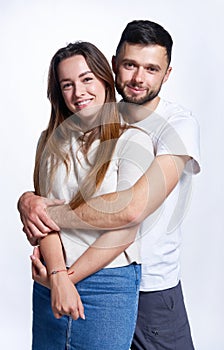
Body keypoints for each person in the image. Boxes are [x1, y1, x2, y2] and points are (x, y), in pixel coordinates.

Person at [18, 20, 201, 350]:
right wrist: (28, 200)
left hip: (150, 287)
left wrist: (47, 216)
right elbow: (53, 190)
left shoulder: (176, 125)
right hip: (75, 276)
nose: (138, 78)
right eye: (130, 65)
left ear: (167, 74)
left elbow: (131, 209)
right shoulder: (85, 121)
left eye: (151, 69)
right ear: (114, 65)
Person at [26, 40, 154, 349]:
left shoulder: (133, 142)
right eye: (66, 84)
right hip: (50, 279)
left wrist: (66, 278)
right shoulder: (50, 142)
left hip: (108, 284)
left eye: (86, 79)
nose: (78, 92)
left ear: (104, 80)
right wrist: (57, 276)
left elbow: (126, 228)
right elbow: (44, 218)